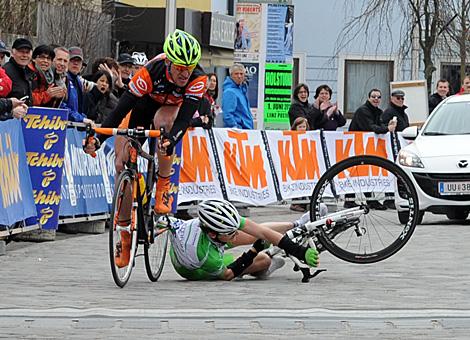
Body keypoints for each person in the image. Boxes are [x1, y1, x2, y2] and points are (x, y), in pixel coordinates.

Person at [84, 29, 207, 219]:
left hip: (172, 107)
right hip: (145, 103)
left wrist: (171, 139)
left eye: (189, 67)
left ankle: (164, 184)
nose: (185, 73)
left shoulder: (197, 78)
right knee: (121, 161)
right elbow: (119, 111)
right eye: (180, 67)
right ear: (168, 62)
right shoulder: (150, 72)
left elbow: (184, 119)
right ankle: (124, 231)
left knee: (164, 123)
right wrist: (99, 139)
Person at [164, 199, 319, 281]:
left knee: (255, 232)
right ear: (213, 234)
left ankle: (297, 224)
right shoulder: (207, 257)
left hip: (207, 241)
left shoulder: (222, 222)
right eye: (230, 233)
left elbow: (262, 231)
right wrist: (253, 251)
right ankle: (263, 270)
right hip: (196, 270)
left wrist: (300, 252)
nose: (235, 233)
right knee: (264, 259)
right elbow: (228, 274)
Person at [347, 88, 397, 210]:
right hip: (357, 145)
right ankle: (351, 200)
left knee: (364, 172)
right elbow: (370, 127)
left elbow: (379, 126)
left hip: (366, 145)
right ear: (369, 98)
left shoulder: (377, 111)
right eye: (373, 96)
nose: (376, 99)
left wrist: (387, 126)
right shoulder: (363, 111)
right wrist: (387, 129)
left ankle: (368, 200)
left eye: (378, 97)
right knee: (357, 172)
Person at [64, 46, 94, 124]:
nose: (76, 63)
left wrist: (84, 118)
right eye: (72, 60)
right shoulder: (63, 79)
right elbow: (61, 107)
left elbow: (78, 109)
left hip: (74, 126)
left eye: (78, 61)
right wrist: (81, 119)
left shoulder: (78, 81)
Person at [3, 38, 34, 106]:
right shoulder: (4, 72)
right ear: (12, 53)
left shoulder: (30, 72)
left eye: (27, 52)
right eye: (21, 51)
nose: (25, 55)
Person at [222, 63, 253, 129]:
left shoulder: (241, 90)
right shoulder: (230, 91)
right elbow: (227, 115)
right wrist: (236, 127)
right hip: (239, 132)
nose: (239, 76)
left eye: (241, 74)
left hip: (245, 130)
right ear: (231, 75)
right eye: (236, 74)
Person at [289, 117, 310, 213]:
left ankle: (304, 201)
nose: (302, 129)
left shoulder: (308, 136)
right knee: (296, 180)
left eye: (304, 127)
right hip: (295, 162)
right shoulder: (291, 137)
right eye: (300, 127)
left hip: (305, 161)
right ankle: (296, 202)